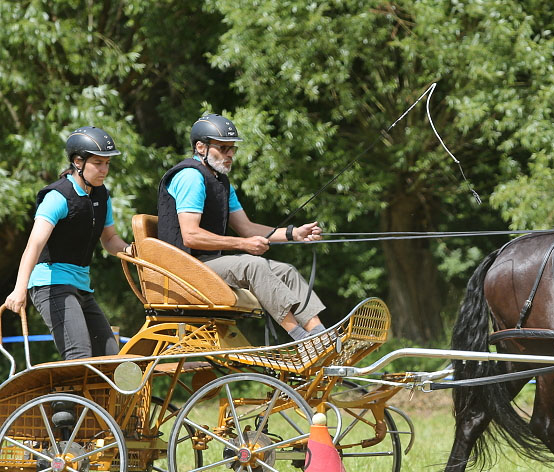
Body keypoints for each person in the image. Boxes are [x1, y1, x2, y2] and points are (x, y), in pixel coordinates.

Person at [157, 114, 326, 340]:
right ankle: (300, 338)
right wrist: (243, 245)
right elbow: (191, 235)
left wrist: (293, 233)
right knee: (253, 266)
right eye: (224, 148)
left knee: (287, 272)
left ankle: (321, 335)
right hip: (184, 267)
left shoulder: (220, 182)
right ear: (200, 147)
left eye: (232, 149)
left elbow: (247, 228)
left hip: (206, 263)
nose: (230, 155)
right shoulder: (190, 177)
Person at [4, 126, 131, 360]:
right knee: (80, 356)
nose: (104, 170)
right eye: (98, 163)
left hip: (81, 285)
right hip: (50, 284)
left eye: (107, 164)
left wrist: (131, 251)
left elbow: (110, 240)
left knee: (111, 356)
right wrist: (19, 289)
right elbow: (34, 245)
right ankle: (62, 399)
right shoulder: (57, 197)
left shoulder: (102, 196)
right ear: (78, 162)